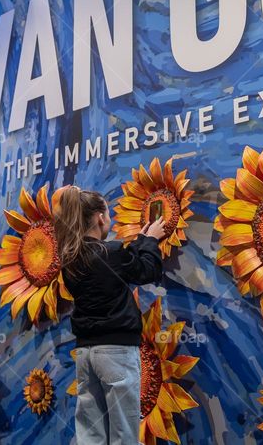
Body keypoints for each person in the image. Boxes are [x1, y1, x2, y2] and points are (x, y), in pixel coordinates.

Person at [55, 186, 165, 445]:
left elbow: (119, 263)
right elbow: (146, 271)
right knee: (124, 433)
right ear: (100, 218)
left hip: (86, 354)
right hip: (116, 351)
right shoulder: (111, 253)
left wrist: (141, 241)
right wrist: (150, 241)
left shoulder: (70, 259)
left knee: (90, 434)